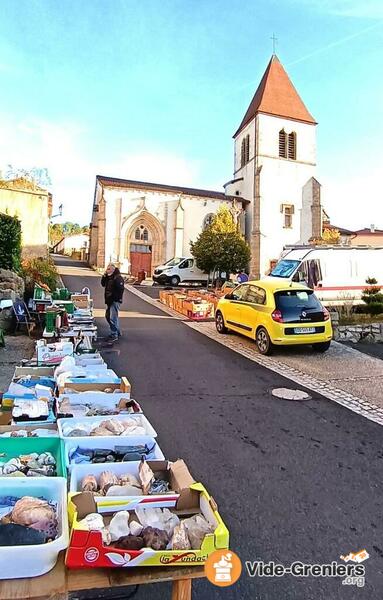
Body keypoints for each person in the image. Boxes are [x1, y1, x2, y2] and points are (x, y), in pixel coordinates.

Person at [101, 263, 125, 341]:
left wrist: (114, 297)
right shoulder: (108, 277)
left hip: (115, 300)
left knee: (112, 317)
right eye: (107, 269)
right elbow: (103, 284)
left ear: (113, 269)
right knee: (108, 316)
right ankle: (117, 331)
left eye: (108, 269)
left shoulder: (118, 278)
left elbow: (120, 289)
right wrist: (104, 276)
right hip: (109, 300)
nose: (107, 270)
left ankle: (114, 334)